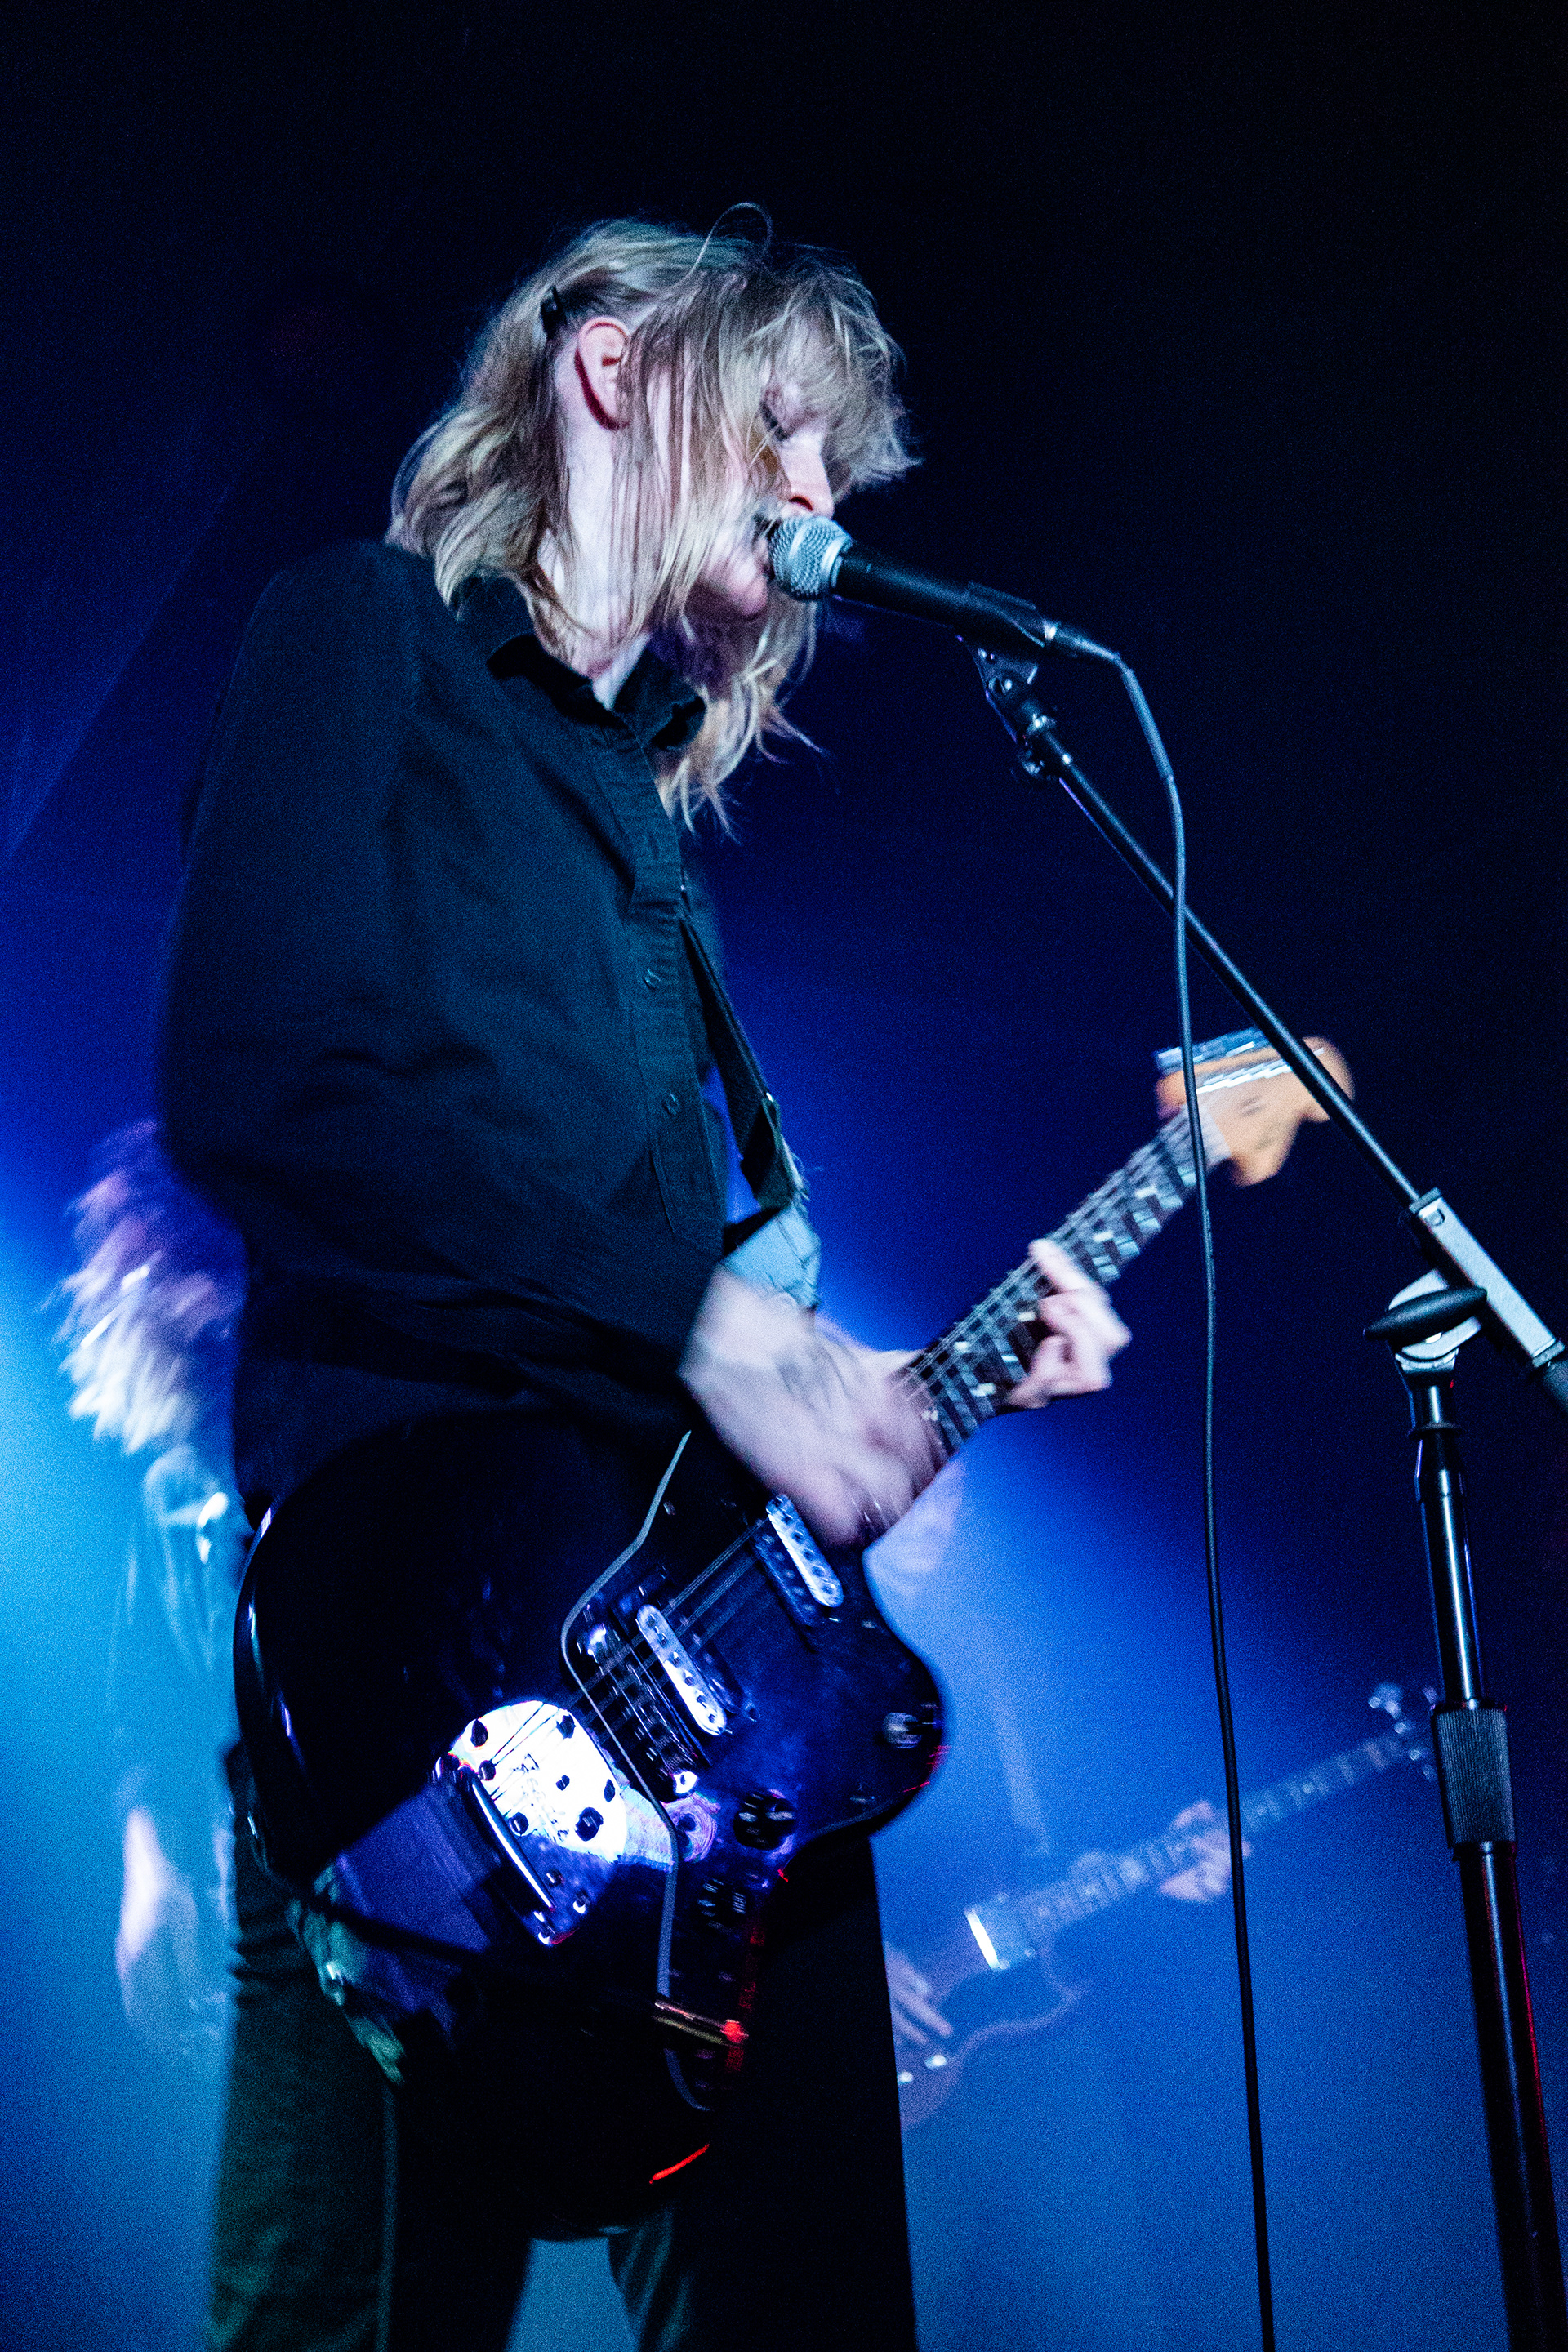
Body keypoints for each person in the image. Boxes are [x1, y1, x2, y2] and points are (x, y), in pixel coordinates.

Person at [157, 216, 1129, 2352]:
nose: (823, 504)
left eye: (841, 473)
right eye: (786, 429)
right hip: (411, 1685)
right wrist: (695, 1323)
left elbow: (678, 1304)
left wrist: (886, 1397)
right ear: (609, 370)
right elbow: (251, 1078)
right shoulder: (366, 643)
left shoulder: (649, 849)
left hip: (692, 1725)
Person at [56, 1120, 249, 2071]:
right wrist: (154, 1868)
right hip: (275, 1921)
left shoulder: (327, 1418)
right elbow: (150, 1717)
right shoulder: (173, 1489)